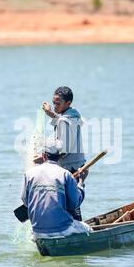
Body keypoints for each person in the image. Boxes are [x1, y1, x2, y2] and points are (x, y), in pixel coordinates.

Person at [21, 138, 92, 241]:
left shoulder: (29, 174)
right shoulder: (65, 174)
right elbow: (74, 204)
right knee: (89, 230)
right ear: (61, 156)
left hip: (37, 231)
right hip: (62, 229)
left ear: (44, 156)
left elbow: (26, 201)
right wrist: (81, 182)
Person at [41, 86, 87, 220]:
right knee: (73, 203)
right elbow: (64, 122)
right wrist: (52, 115)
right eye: (53, 103)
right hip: (79, 165)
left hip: (70, 168)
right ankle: (76, 229)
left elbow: (64, 149)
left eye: (57, 103)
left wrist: (47, 158)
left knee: (70, 205)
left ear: (68, 103)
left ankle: (74, 232)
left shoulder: (64, 120)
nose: (54, 106)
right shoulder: (75, 114)